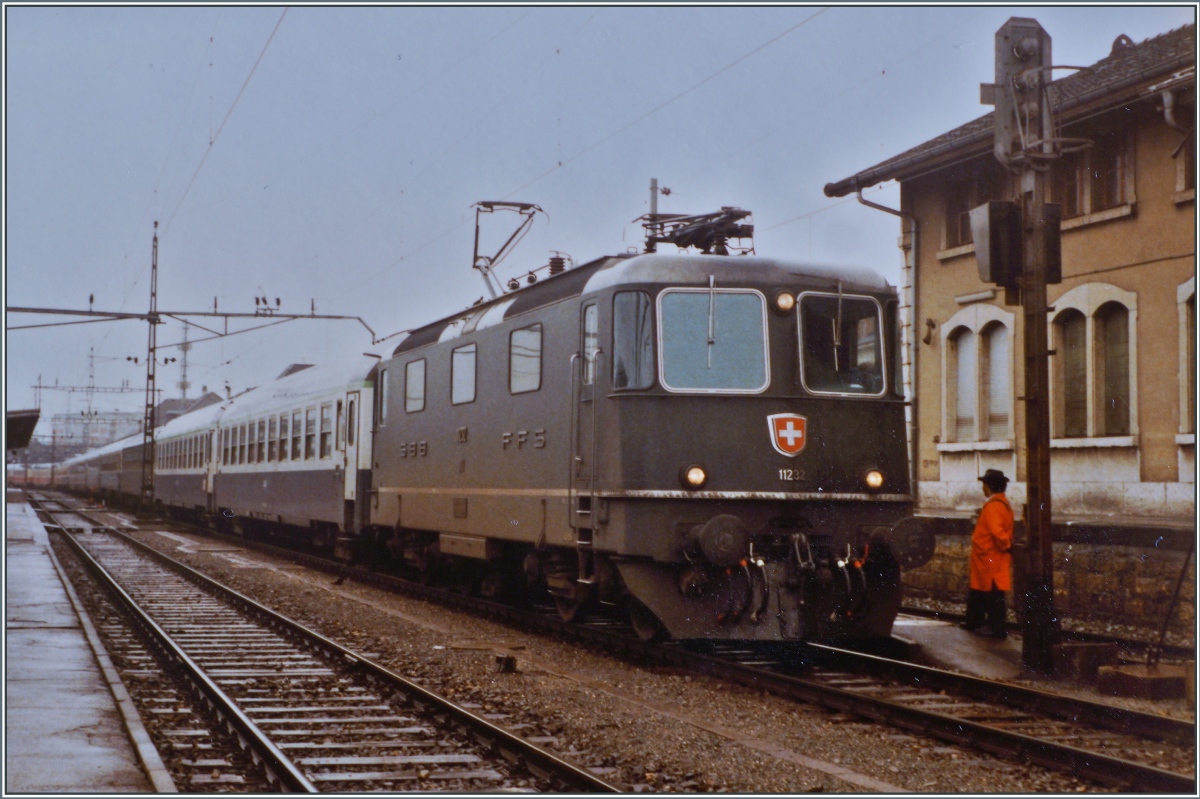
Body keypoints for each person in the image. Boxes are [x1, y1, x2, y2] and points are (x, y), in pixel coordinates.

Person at [961, 469, 1013, 639]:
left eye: (984, 484)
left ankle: (996, 628)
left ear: (989, 486)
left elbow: (997, 532)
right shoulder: (1000, 504)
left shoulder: (994, 507)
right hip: (987, 557)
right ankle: (973, 621)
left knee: (991, 593)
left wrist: (1006, 545)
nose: (982, 487)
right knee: (979, 591)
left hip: (989, 558)